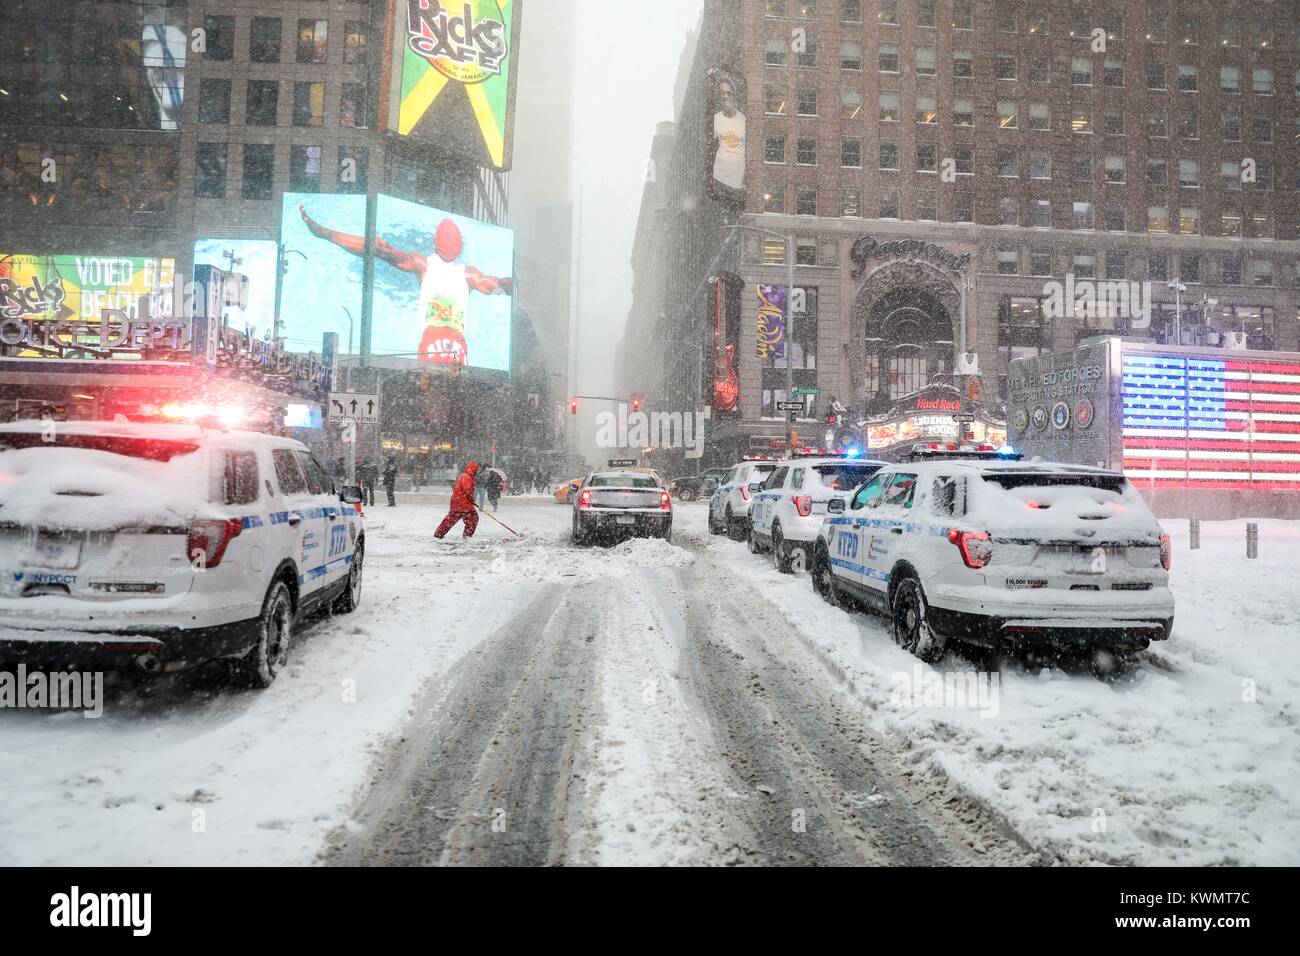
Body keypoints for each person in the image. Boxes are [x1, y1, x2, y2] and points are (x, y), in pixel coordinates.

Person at [300, 205, 512, 367]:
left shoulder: (423, 264)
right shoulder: (470, 275)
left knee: (431, 395)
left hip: (431, 344)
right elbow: (498, 285)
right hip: (457, 348)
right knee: (454, 397)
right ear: (460, 248)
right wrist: (513, 285)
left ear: (435, 244)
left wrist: (324, 233)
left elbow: (379, 249)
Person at [710, 76, 746, 201]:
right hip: (718, 180)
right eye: (722, 93)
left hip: (738, 185)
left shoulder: (745, 121)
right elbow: (708, 147)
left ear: (734, 96)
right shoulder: (715, 119)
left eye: (728, 93)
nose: (725, 96)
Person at [435, 461, 479, 540]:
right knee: (473, 518)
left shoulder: (462, 476)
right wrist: (472, 500)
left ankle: (439, 533)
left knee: (450, 519)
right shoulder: (467, 477)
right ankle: (467, 535)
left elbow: (457, 487)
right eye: (476, 470)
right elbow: (467, 491)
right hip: (464, 503)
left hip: (456, 502)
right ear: (474, 470)